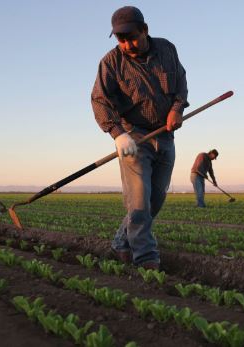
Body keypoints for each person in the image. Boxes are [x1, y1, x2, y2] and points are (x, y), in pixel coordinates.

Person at [91, 6, 188, 270]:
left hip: (165, 135)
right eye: (121, 39)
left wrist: (177, 109)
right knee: (139, 199)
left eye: (131, 37)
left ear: (145, 30)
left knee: (156, 198)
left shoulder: (167, 49)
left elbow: (180, 81)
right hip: (133, 136)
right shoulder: (111, 62)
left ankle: (121, 241)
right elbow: (99, 100)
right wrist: (117, 134)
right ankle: (145, 257)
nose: (127, 44)